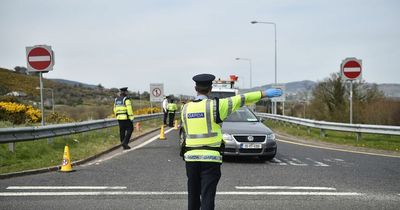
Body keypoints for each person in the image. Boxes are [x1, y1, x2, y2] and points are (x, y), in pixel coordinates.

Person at [180, 73, 282, 210]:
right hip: (211, 159)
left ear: (195, 88)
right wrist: (264, 93)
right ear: (210, 89)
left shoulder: (185, 108)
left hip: (191, 159)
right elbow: (242, 99)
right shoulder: (217, 106)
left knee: (192, 196)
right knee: (208, 196)